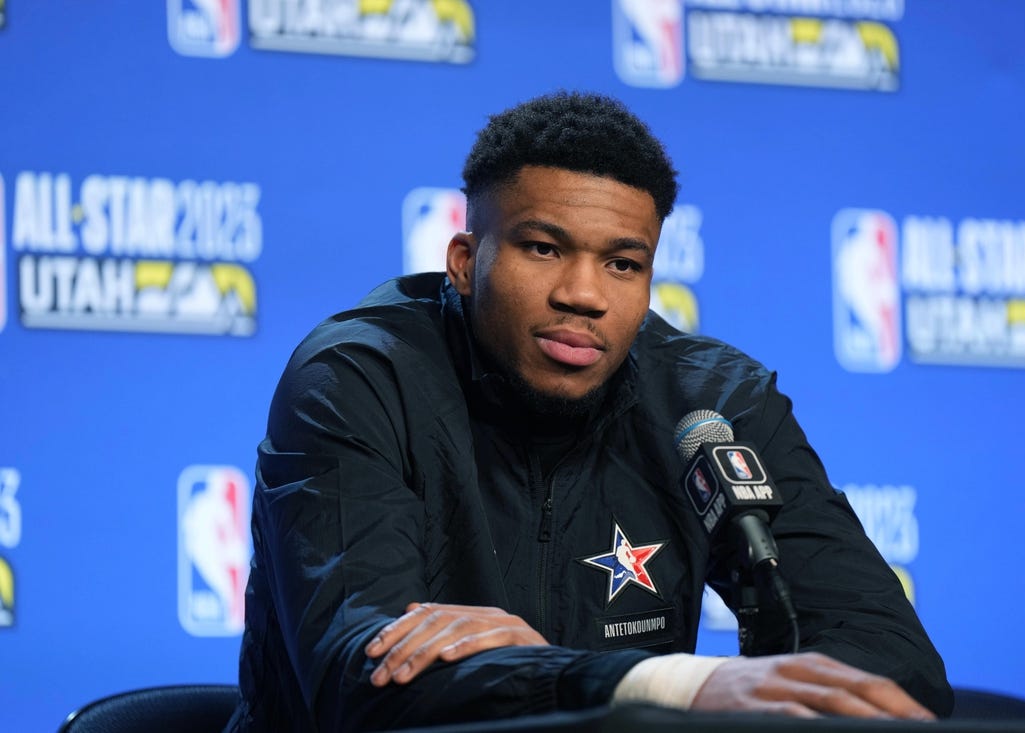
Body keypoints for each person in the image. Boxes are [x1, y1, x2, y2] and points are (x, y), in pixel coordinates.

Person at [227, 91, 952, 732]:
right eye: (544, 247)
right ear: (463, 260)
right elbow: (359, 684)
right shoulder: (360, 378)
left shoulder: (712, 404)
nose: (584, 293)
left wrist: (538, 667)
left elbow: (896, 665)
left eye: (623, 263)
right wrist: (671, 684)